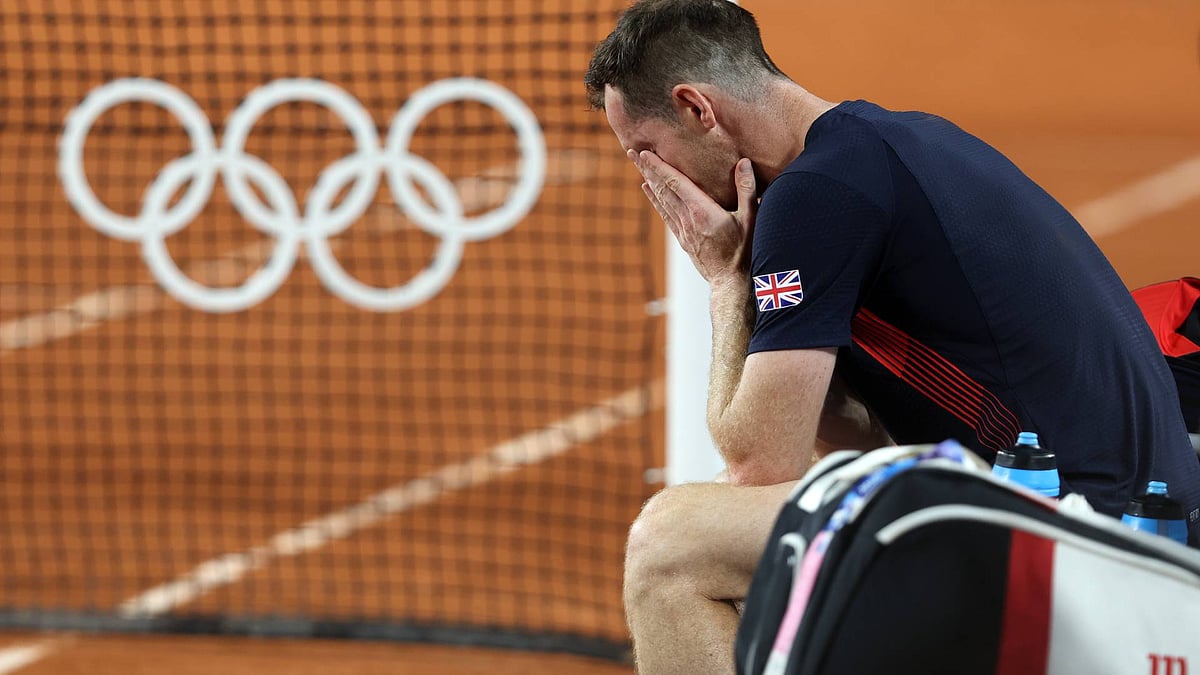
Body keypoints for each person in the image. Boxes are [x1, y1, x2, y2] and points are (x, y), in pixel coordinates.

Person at [584, 0, 1200, 672]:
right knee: (757, 524)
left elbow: (760, 464)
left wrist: (725, 284)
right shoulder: (891, 144)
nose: (650, 178)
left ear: (696, 108)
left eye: (645, 152)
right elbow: (850, 441)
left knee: (670, 548)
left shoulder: (814, 198)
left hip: (1078, 524)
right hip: (1139, 512)